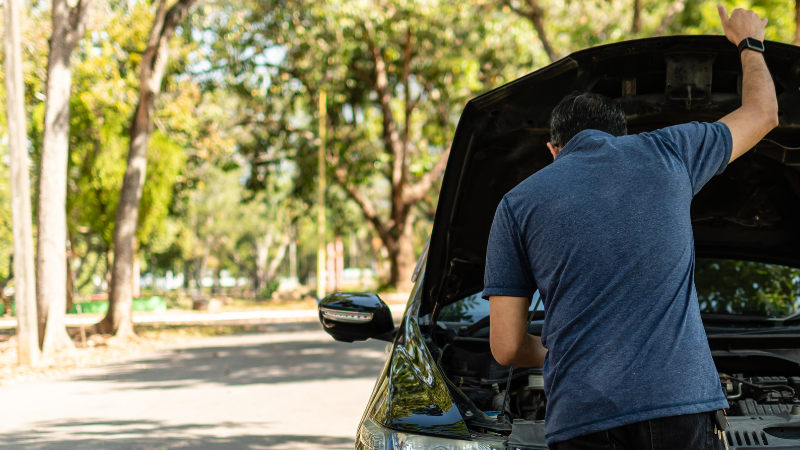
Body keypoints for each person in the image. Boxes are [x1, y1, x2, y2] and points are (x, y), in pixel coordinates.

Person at [482, 5, 778, 450]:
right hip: (681, 406)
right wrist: (748, 42)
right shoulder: (669, 152)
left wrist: (559, 351)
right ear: (620, 134)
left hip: (583, 417)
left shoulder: (517, 203)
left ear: (552, 149)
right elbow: (763, 114)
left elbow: (505, 348)